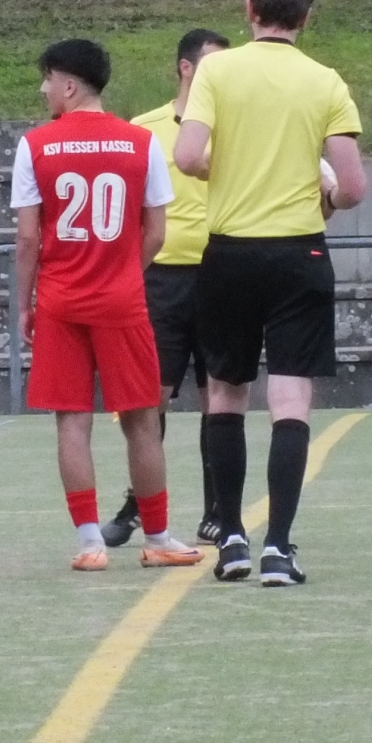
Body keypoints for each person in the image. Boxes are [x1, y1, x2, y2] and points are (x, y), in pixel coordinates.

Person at [175, 0, 368, 586]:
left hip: (229, 252)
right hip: (298, 255)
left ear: (249, 10)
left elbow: (187, 155)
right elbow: (353, 188)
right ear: (306, 18)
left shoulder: (217, 70)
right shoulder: (325, 81)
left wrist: (226, 169)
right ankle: (278, 547)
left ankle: (231, 537)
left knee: (225, 392)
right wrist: (325, 193)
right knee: (290, 400)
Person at [13, 39, 204, 572]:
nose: (44, 89)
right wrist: (121, 273)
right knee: (141, 420)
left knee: (72, 422)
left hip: (60, 300)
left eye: (48, 79)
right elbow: (157, 232)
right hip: (123, 302)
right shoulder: (142, 142)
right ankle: (158, 536)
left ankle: (89, 543)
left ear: (70, 85)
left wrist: (24, 302)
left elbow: (27, 239)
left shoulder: (35, 145)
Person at [105, 27, 230, 548]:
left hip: (222, 271)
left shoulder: (235, 126)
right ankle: (140, 502)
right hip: (160, 279)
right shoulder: (145, 129)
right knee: (148, 397)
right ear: (185, 68)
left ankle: (218, 510)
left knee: (219, 394)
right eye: (213, 65)